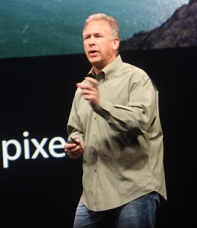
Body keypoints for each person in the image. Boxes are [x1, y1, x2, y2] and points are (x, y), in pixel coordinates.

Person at [64, 13, 166, 227]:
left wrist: (101, 104)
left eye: (98, 36)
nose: (91, 42)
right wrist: (77, 143)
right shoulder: (83, 88)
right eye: (86, 37)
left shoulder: (136, 78)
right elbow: (76, 129)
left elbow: (140, 121)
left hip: (133, 191)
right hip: (92, 196)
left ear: (115, 42)